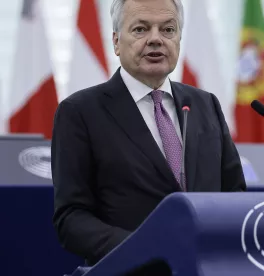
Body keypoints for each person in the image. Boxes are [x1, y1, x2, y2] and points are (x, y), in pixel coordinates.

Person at [51, 0, 246, 265]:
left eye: (168, 30)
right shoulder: (80, 112)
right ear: (117, 42)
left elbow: (235, 197)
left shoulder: (205, 104)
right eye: (141, 29)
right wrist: (144, 249)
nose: (156, 39)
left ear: (178, 39)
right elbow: (72, 218)